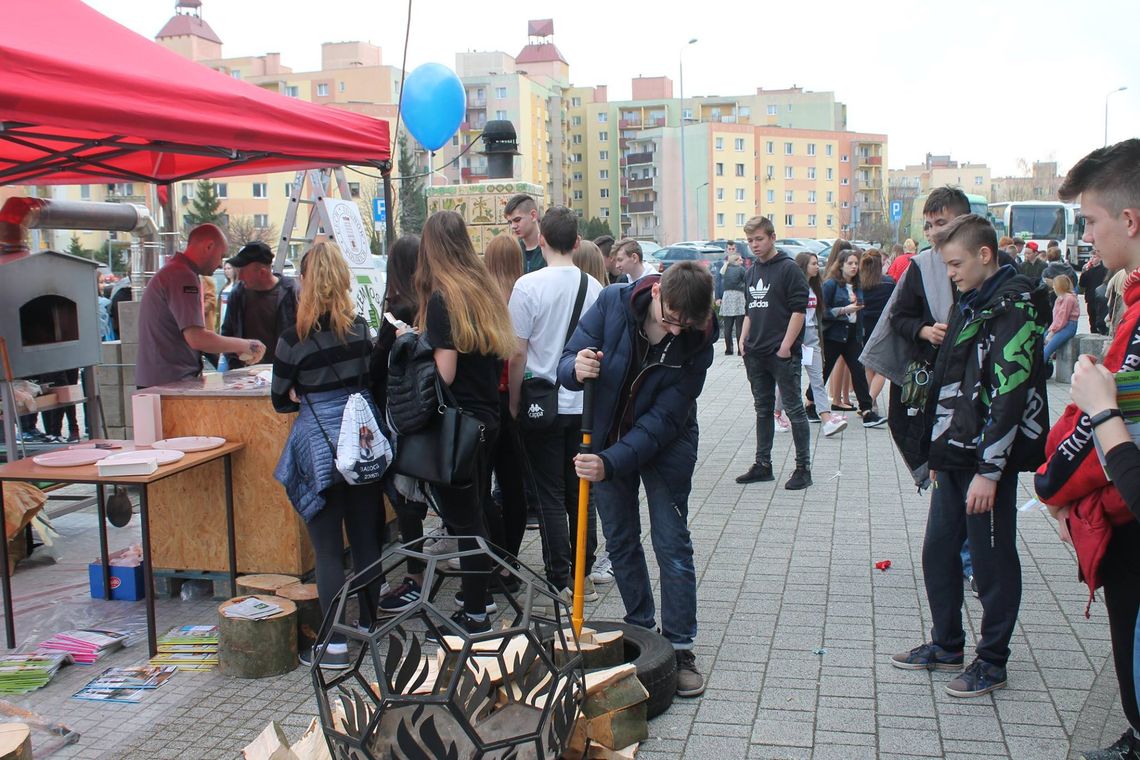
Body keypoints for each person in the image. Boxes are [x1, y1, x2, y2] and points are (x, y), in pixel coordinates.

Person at [891, 214, 1049, 698]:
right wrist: (935, 451)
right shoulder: (970, 301)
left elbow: (1009, 397)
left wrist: (990, 470)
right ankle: (946, 645)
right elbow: (948, 382)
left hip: (987, 465)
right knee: (938, 551)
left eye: (956, 263)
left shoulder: (1014, 307)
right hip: (954, 456)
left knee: (992, 562)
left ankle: (993, 661)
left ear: (985, 255)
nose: (951, 273)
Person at [560, 261, 717, 698]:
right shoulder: (613, 303)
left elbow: (663, 422)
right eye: (669, 319)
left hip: (667, 445)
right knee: (622, 538)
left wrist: (609, 464)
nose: (673, 332)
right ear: (657, 292)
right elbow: (566, 360)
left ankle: (681, 646)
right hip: (607, 431)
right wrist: (578, 367)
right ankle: (642, 629)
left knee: (671, 541)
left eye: (684, 326)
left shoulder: (698, 341)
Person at [1034, 139, 1140, 760]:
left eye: (1092, 221)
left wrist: (1052, 483)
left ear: (1129, 220)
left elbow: (1108, 427)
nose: (1088, 238)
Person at [271, 241, 388, 669]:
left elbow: (279, 400)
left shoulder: (291, 340)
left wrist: (303, 394)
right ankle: (374, 630)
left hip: (318, 450)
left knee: (326, 551)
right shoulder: (360, 331)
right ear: (342, 281)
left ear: (304, 282)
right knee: (366, 542)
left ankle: (334, 645)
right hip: (360, 446)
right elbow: (371, 384)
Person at [417, 210, 518, 634]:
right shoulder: (485, 290)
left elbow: (445, 374)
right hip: (487, 419)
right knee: (476, 510)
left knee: (465, 521)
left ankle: (474, 613)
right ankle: (484, 600)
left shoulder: (445, 299)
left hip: (459, 425)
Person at [508, 206, 603, 607]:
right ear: (578, 242)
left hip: (540, 403)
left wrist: (513, 401)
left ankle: (560, 575)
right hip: (584, 403)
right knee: (581, 489)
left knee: (547, 491)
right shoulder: (596, 288)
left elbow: (517, 353)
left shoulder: (528, 287)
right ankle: (586, 571)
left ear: (541, 239)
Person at [369, 236, 431, 615]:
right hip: (427, 412)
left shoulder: (396, 311)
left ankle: (415, 578)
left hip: (399, 413)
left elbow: (378, 368)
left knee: (405, 497)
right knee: (420, 493)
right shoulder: (431, 303)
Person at [735, 216, 813, 490]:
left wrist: (785, 347)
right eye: (750, 241)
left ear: (772, 237)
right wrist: (743, 339)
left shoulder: (789, 269)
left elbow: (798, 311)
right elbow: (749, 310)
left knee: (794, 410)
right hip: (755, 352)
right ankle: (762, 464)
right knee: (763, 409)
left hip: (780, 354)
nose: (754, 245)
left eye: (759, 239)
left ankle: (803, 468)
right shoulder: (752, 270)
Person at [136, 224, 264, 389]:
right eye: (221, 255)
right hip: (168, 384)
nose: (220, 264)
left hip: (160, 381)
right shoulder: (182, 276)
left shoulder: (175, 272)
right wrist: (246, 345)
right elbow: (197, 338)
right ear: (209, 246)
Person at [483, 234, 533, 586]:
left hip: (485, 400)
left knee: (481, 485)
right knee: (514, 483)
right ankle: (509, 561)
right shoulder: (524, 294)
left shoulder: (482, 299)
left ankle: (492, 553)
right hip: (514, 397)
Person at [819, 248, 886, 428]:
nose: (854, 267)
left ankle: (867, 412)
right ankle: (810, 402)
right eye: (850, 263)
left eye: (856, 263)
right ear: (841, 265)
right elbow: (822, 312)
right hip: (834, 335)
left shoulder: (857, 285)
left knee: (858, 372)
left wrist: (860, 330)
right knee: (824, 372)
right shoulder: (831, 285)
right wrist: (843, 310)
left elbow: (860, 311)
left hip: (852, 335)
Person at [221, 241, 301, 369]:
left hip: (283, 376)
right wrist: (236, 366)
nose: (239, 276)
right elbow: (227, 334)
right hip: (245, 377)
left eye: (243, 271)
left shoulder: (292, 292)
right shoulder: (238, 294)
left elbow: (304, 336)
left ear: (263, 273)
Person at [795, 252, 847, 437]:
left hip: (812, 336)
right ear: (803, 266)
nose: (817, 267)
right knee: (787, 380)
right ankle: (776, 413)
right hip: (796, 336)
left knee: (818, 378)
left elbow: (820, 314)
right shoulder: (794, 286)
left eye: (817, 263)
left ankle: (826, 420)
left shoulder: (816, 288)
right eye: (813, 264)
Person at [858, 249, 896, 411]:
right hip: (883, 328)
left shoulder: (859, 284)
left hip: (863, 327)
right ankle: (870, 400)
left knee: (869, 365)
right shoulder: (888, 283)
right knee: (882, 369)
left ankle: (870, 401)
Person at [1043, 274, 1080, 369]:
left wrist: (1052, 332)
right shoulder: (1060, 298)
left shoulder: (1069, 299)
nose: (1053, 287)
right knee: (1040, 341)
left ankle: (1037, 372)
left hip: (1068, 326)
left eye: (1055, 285)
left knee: (1047, 350)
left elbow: (1062, 318)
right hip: (1060, 325)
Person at [716, 247, 747, 356]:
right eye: (740, 260)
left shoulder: (725, 269)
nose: (742, 262)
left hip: (727, 297)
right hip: (738, 297)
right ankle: (740, 349)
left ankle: (728, 349)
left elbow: (719, 284)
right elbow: (746, 282)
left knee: (727, 326)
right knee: (739, 326)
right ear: (735, 261)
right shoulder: (741, 269)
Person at [505, 194, 545, 274]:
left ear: (533, 215)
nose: (513, 226)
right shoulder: (512, 251)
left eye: (517, 220)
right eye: (510, 222)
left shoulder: (551, 249)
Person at [1079, 253, 1109, 335]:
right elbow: (1082, 284)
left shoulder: (1105, 270)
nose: (1092, 259)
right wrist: (1084, 272)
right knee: (1092, 321)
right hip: (1091, 298)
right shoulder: (1088, 271)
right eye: (1091, 257)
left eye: (1094, 257)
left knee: (1100, 320)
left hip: (1101, 299)